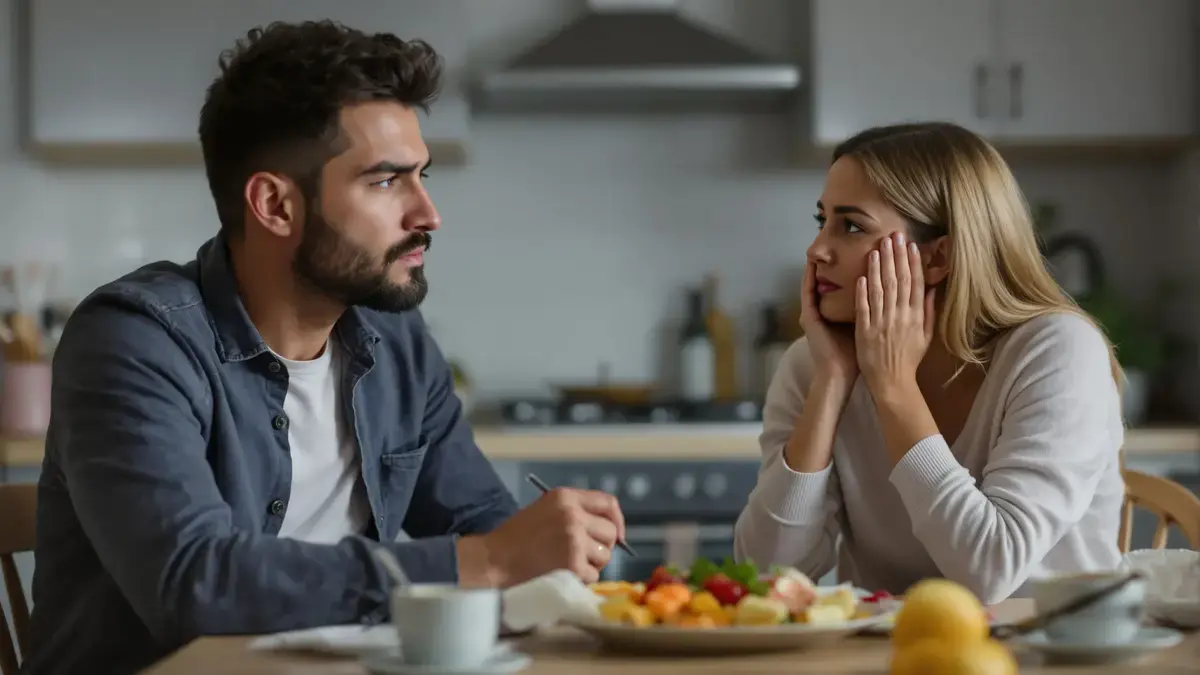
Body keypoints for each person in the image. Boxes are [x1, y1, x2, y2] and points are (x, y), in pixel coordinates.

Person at [24, 21, 626, 675]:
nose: (428, 213)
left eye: (422, 175)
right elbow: (194, 583)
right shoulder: (134, 340)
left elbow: (481, 519)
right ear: (275, 205)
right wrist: (493, 562)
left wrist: (556, 549)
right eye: (386, 181)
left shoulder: (395, 341)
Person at [733, 122, 1125, 605]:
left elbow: (989, 572)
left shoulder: (1057, 351)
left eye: (851, 225)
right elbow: (765, 578)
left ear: (938, 257)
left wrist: (893, 388)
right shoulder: (813, 365)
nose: (817, 250)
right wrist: (832, 381)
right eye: (823, 221)